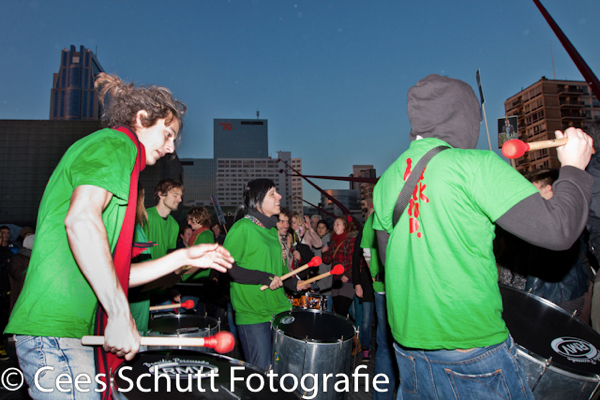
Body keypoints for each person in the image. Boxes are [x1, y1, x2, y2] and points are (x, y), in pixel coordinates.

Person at [5, 73, 234, 399]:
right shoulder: (116, 144)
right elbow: (81, 221)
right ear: (142, 119)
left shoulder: (119, 163)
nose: (170, 148)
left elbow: (116, 275)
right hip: (54, 332)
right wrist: (120, 313)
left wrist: (181, 257)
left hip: (68, 334)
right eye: (167, 134)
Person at [372, 74, 593, 400]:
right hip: (472, 354)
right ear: (459, 116)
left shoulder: (386, 181)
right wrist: (574, 169)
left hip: (408, 350)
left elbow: (391, 265)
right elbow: (559, 230)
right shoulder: (475, 166)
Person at [224, 179, 305, 371]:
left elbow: (278, 270)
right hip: (253, 314)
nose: (279, 197)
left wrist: (293, 283)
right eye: (272, 193)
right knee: (261, 375)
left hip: (279, 309)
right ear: (258, 200)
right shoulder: (242, 228)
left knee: (282, 372)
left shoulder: (271, 231)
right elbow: (228, 267)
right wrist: (264, 278)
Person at [361, 210, 397, 400]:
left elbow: (366, 250)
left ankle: (381, 396)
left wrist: (374, 273)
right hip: (402, 288)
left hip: (381, 287)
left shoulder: (373, 218)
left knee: (384, 344)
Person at [321, 216, 356, 316]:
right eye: (334, 224)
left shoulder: (350, 240)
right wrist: (324, 252)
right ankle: (343, 331)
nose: (335, 226)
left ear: (345, 226)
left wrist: (348, 274)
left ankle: (347, 331)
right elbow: (328, 260)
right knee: (338, 312)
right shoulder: (333, 241)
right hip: (336, 279)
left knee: (342, 310)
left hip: (347, 280)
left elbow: (356, 260)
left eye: (338, 224)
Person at [146, 179, 183, 260]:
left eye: (180, 196)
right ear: (161, 194)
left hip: (163, 271)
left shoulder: (174, 225)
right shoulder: (145, 216)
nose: (180, 200)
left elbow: (170, 254)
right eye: (175, 195)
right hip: (143, 270)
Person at [315, 219, 333, 312]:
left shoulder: (329, 242)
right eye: (319, 227)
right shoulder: (315, 241)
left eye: (323, 227)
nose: (320, 229)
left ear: (327, 230)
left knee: (327, 310)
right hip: (316, 280)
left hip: (327, 280)